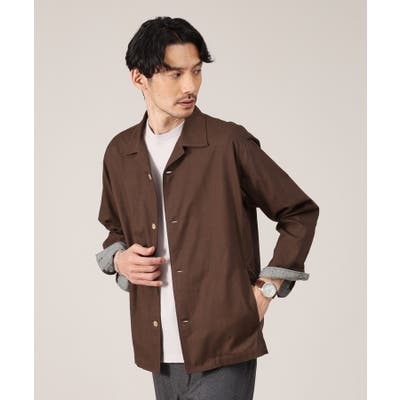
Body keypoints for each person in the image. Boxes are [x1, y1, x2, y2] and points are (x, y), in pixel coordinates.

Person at [95, 16, 320, 400]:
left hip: (224, 343)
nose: (190, 86)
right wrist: (119, 260)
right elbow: (115, 228)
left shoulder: (227, 143)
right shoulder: (120, 152)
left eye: (196, 71)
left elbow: (298, 212)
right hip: (158, 349)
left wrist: (266, 289)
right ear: (139, 78)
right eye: (175, 74)